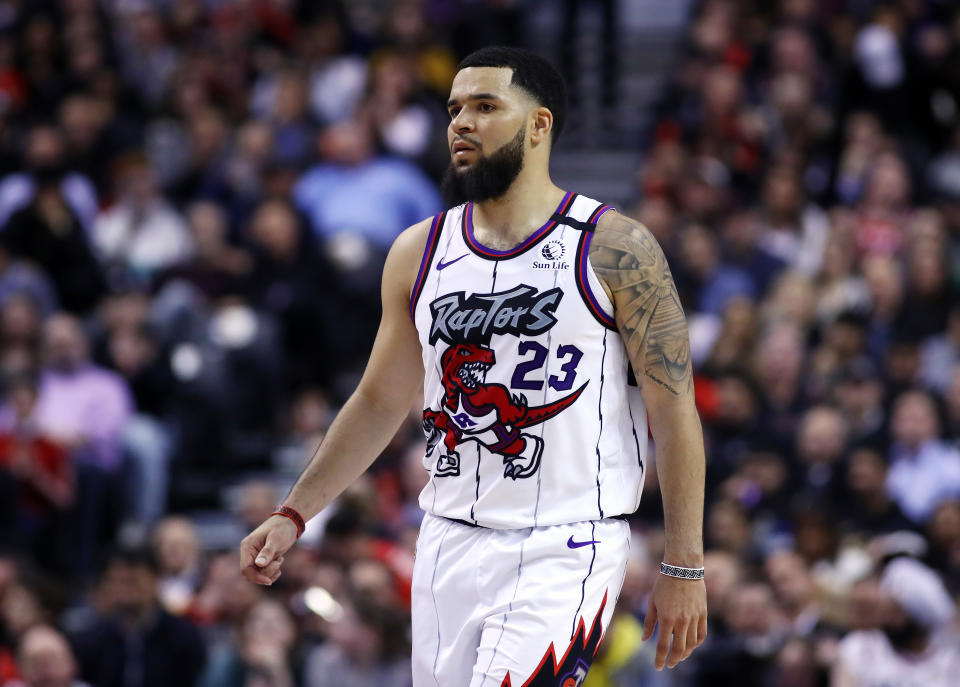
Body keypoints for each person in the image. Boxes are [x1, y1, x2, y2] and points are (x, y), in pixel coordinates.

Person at [241, 46, 707, 686]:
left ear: (539, 124)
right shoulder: (418, 250)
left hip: (565, 543)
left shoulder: (615, 247)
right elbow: (379, 402)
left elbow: (673, 410)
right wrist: (294, 513)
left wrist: (684, 564)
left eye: (486, 107)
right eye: (455, 108)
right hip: (446, 539)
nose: (461, 121)